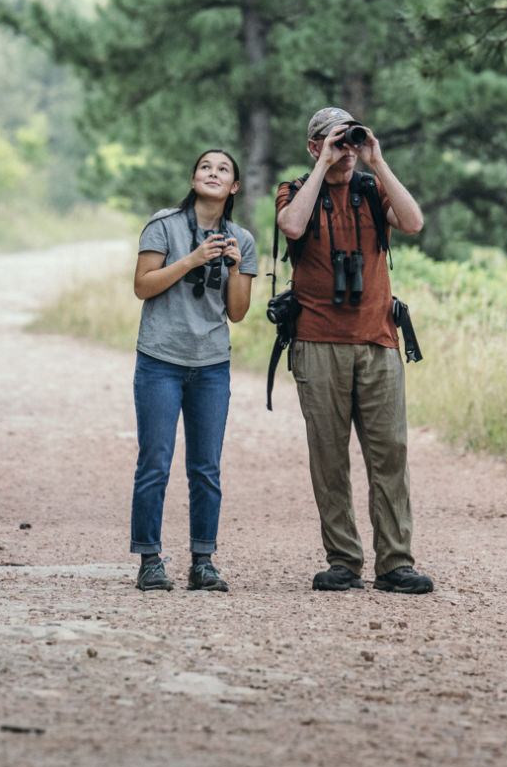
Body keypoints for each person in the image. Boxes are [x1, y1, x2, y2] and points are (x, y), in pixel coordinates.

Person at [275, 108, 432, 594]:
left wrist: (376, 160)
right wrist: (323, 166)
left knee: (390, 454)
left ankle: (395, 563)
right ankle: (343, 560)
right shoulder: (296, 187)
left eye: (348, 140)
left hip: (378, 340)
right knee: (329, 455)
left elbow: (413, 222)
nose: (343, 149)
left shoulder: (371, 189)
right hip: (318, 340)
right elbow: (293, 227)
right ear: (312, 146)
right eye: (331, 141)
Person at [130, 149, 256, 592]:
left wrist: (237, 266)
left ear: (234, 187)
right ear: (193, 177)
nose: (214, 173)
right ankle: (150, 560)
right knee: (155, 462)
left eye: (224, 169)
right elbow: (142, 286)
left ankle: (203, 562)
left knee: (206, 467)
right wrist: (193, 258)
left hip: (211, 366)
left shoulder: (242, 238)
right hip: (160, 360)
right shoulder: (163, 224)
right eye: (206, 166)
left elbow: (237, 313)